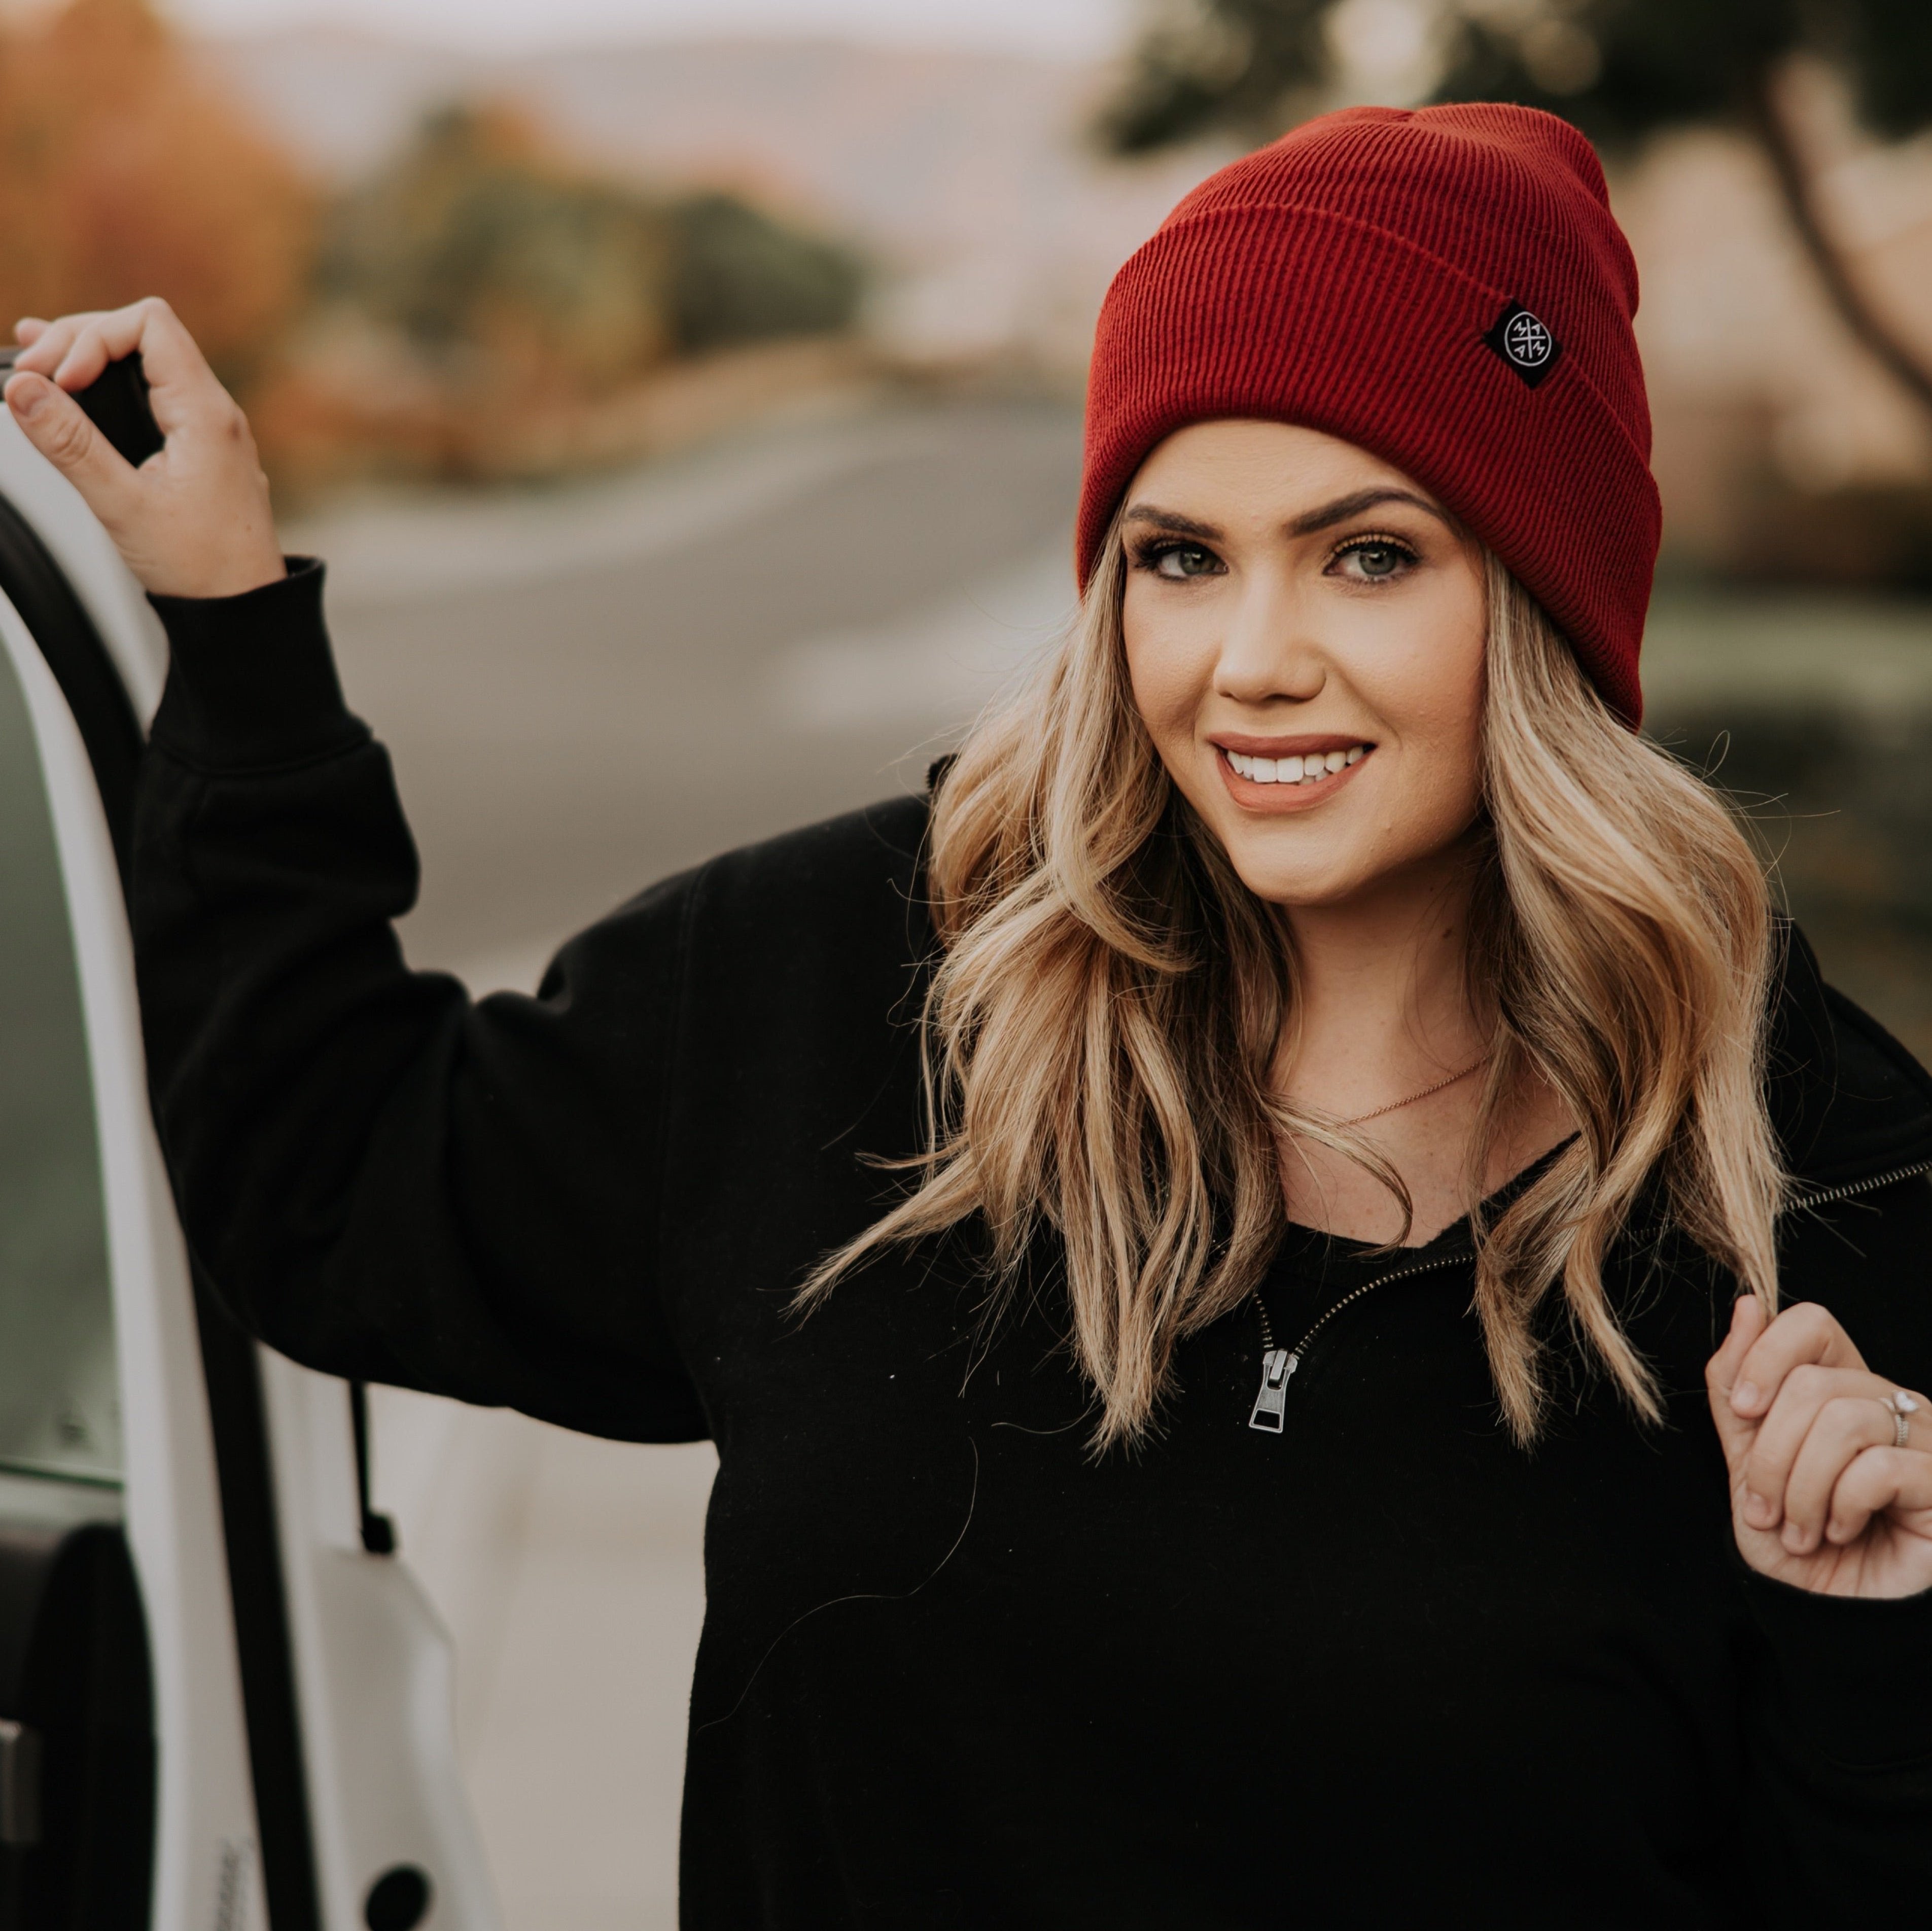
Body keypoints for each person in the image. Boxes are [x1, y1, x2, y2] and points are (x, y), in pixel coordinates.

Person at [10, 102, 1932, 1926]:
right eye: (1178, 556)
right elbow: (335, 1181)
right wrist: (236, 629)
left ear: (1543, 595)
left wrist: (1880, 1649)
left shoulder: (1816, 1191)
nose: (1251, 665)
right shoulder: (853, 985)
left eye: (1369, 554)